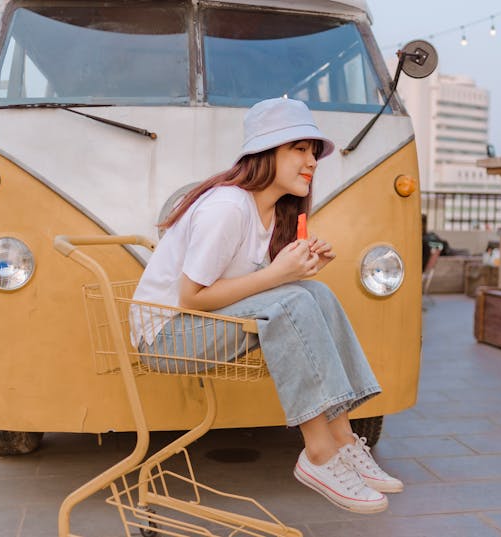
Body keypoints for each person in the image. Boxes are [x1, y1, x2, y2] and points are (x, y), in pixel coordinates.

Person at [132, 97, 402, 514]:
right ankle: (318, 454)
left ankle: (344, 442)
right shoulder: (227, 207)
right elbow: (191, 297)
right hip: (168, 334)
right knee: (292, 300)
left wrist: (296, 268)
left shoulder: (272, 213)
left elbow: (250, 289)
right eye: (298, 148)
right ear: (264, 153)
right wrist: (280, 276)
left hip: (201, 323)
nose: (311, 160)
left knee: (317, 293)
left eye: (313, 152)